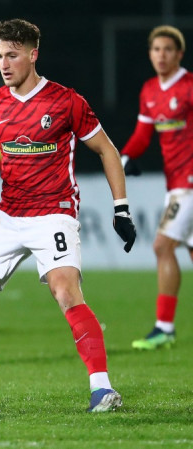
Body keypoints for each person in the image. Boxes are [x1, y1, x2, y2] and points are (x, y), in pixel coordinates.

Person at [0, 18, 137, 413]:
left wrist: (121, 209)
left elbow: (107, 150)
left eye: (12, 55)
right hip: (9, 214)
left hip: (54, 213)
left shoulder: (65, 101)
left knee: (65, 290)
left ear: (33, 54)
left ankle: (102, 389)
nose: (3, 64)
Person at [121, 25, 192, 351]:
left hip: (189, 183)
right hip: (175, 182)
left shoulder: (189, 87)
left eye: (168, 49)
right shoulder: (150, 90)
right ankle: (165, 328)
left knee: (162, 246)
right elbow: (143, 134)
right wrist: (125, 157)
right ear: (150, 54)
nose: (161, 55)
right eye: (156, 49)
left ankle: (164, 327)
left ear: (179, 54)